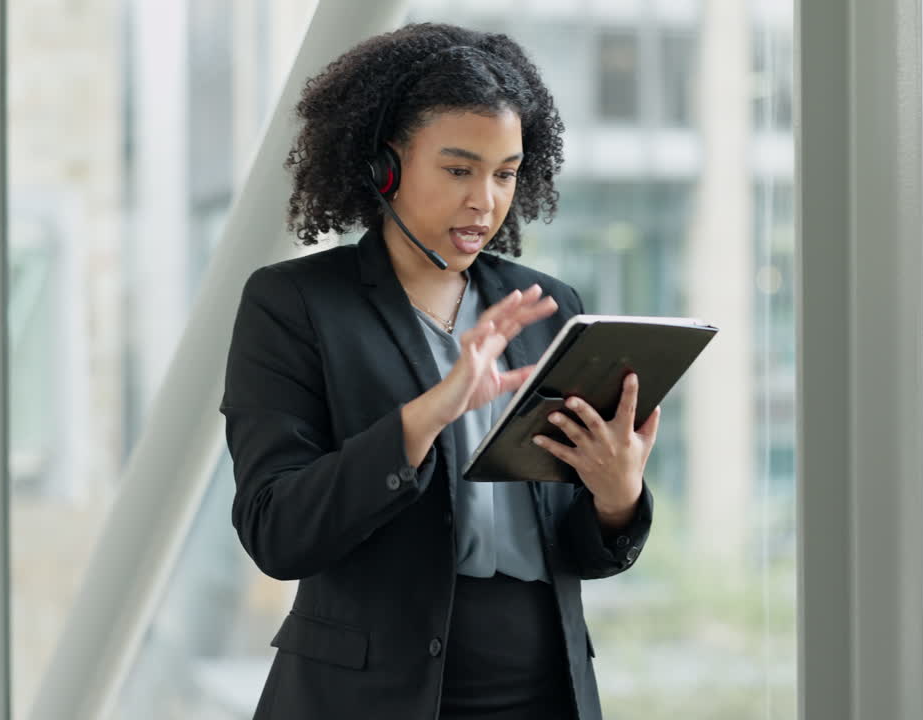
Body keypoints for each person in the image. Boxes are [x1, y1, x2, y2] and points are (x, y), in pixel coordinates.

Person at [220, 22, 661, 720]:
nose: (485, 200)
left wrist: (617, 497)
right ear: (383, 166)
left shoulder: (548, 309)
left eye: (505, 173)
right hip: (368, 700)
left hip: (543, 695)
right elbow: (277, 530)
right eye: (458, 170)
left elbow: (581, 549)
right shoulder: (296, 306)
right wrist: (431, 412)